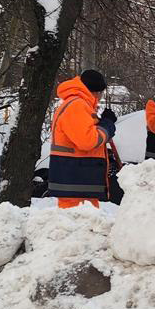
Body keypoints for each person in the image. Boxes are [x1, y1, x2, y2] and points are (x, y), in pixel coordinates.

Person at [47, 68, 120, 207]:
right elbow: (88, 141)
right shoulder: (77, 106)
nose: (100, 98)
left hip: (79, 182)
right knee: (76, 224)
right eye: (100, 93)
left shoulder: (79, 105)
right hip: (75, 182)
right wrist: (107, 124)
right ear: (96, 91)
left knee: (85, 223)